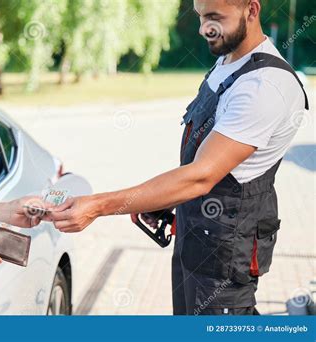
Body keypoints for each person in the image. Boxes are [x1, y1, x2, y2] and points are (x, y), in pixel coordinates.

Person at [44, 0, 309, 315]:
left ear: (251, 10)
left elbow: (202, 175)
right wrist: (160, 198)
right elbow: (205, 160)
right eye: (200, 16)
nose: (203, 29)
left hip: (224, 258)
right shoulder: (229, 61)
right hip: (193, 239)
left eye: (214, 17)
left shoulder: (264, 85)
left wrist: (99, 206)